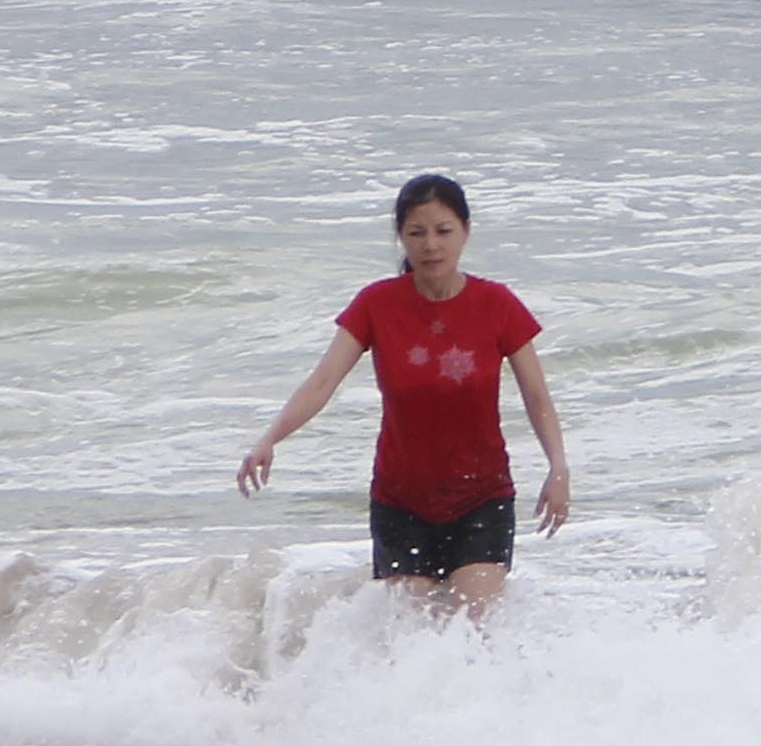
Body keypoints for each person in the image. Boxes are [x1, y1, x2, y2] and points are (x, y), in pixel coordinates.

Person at [235, 172, 570, 613]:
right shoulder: (376, 305)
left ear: (465, 232)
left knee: (473, 628)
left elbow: (537, 396)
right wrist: (269, 438)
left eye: (443, 231)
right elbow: (321, 382)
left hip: (481, 496)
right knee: (408, 636)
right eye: (417, 232)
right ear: (401, 238)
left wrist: (558, 467)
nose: (431, 244)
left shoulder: (498, 305)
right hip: (401, 500)